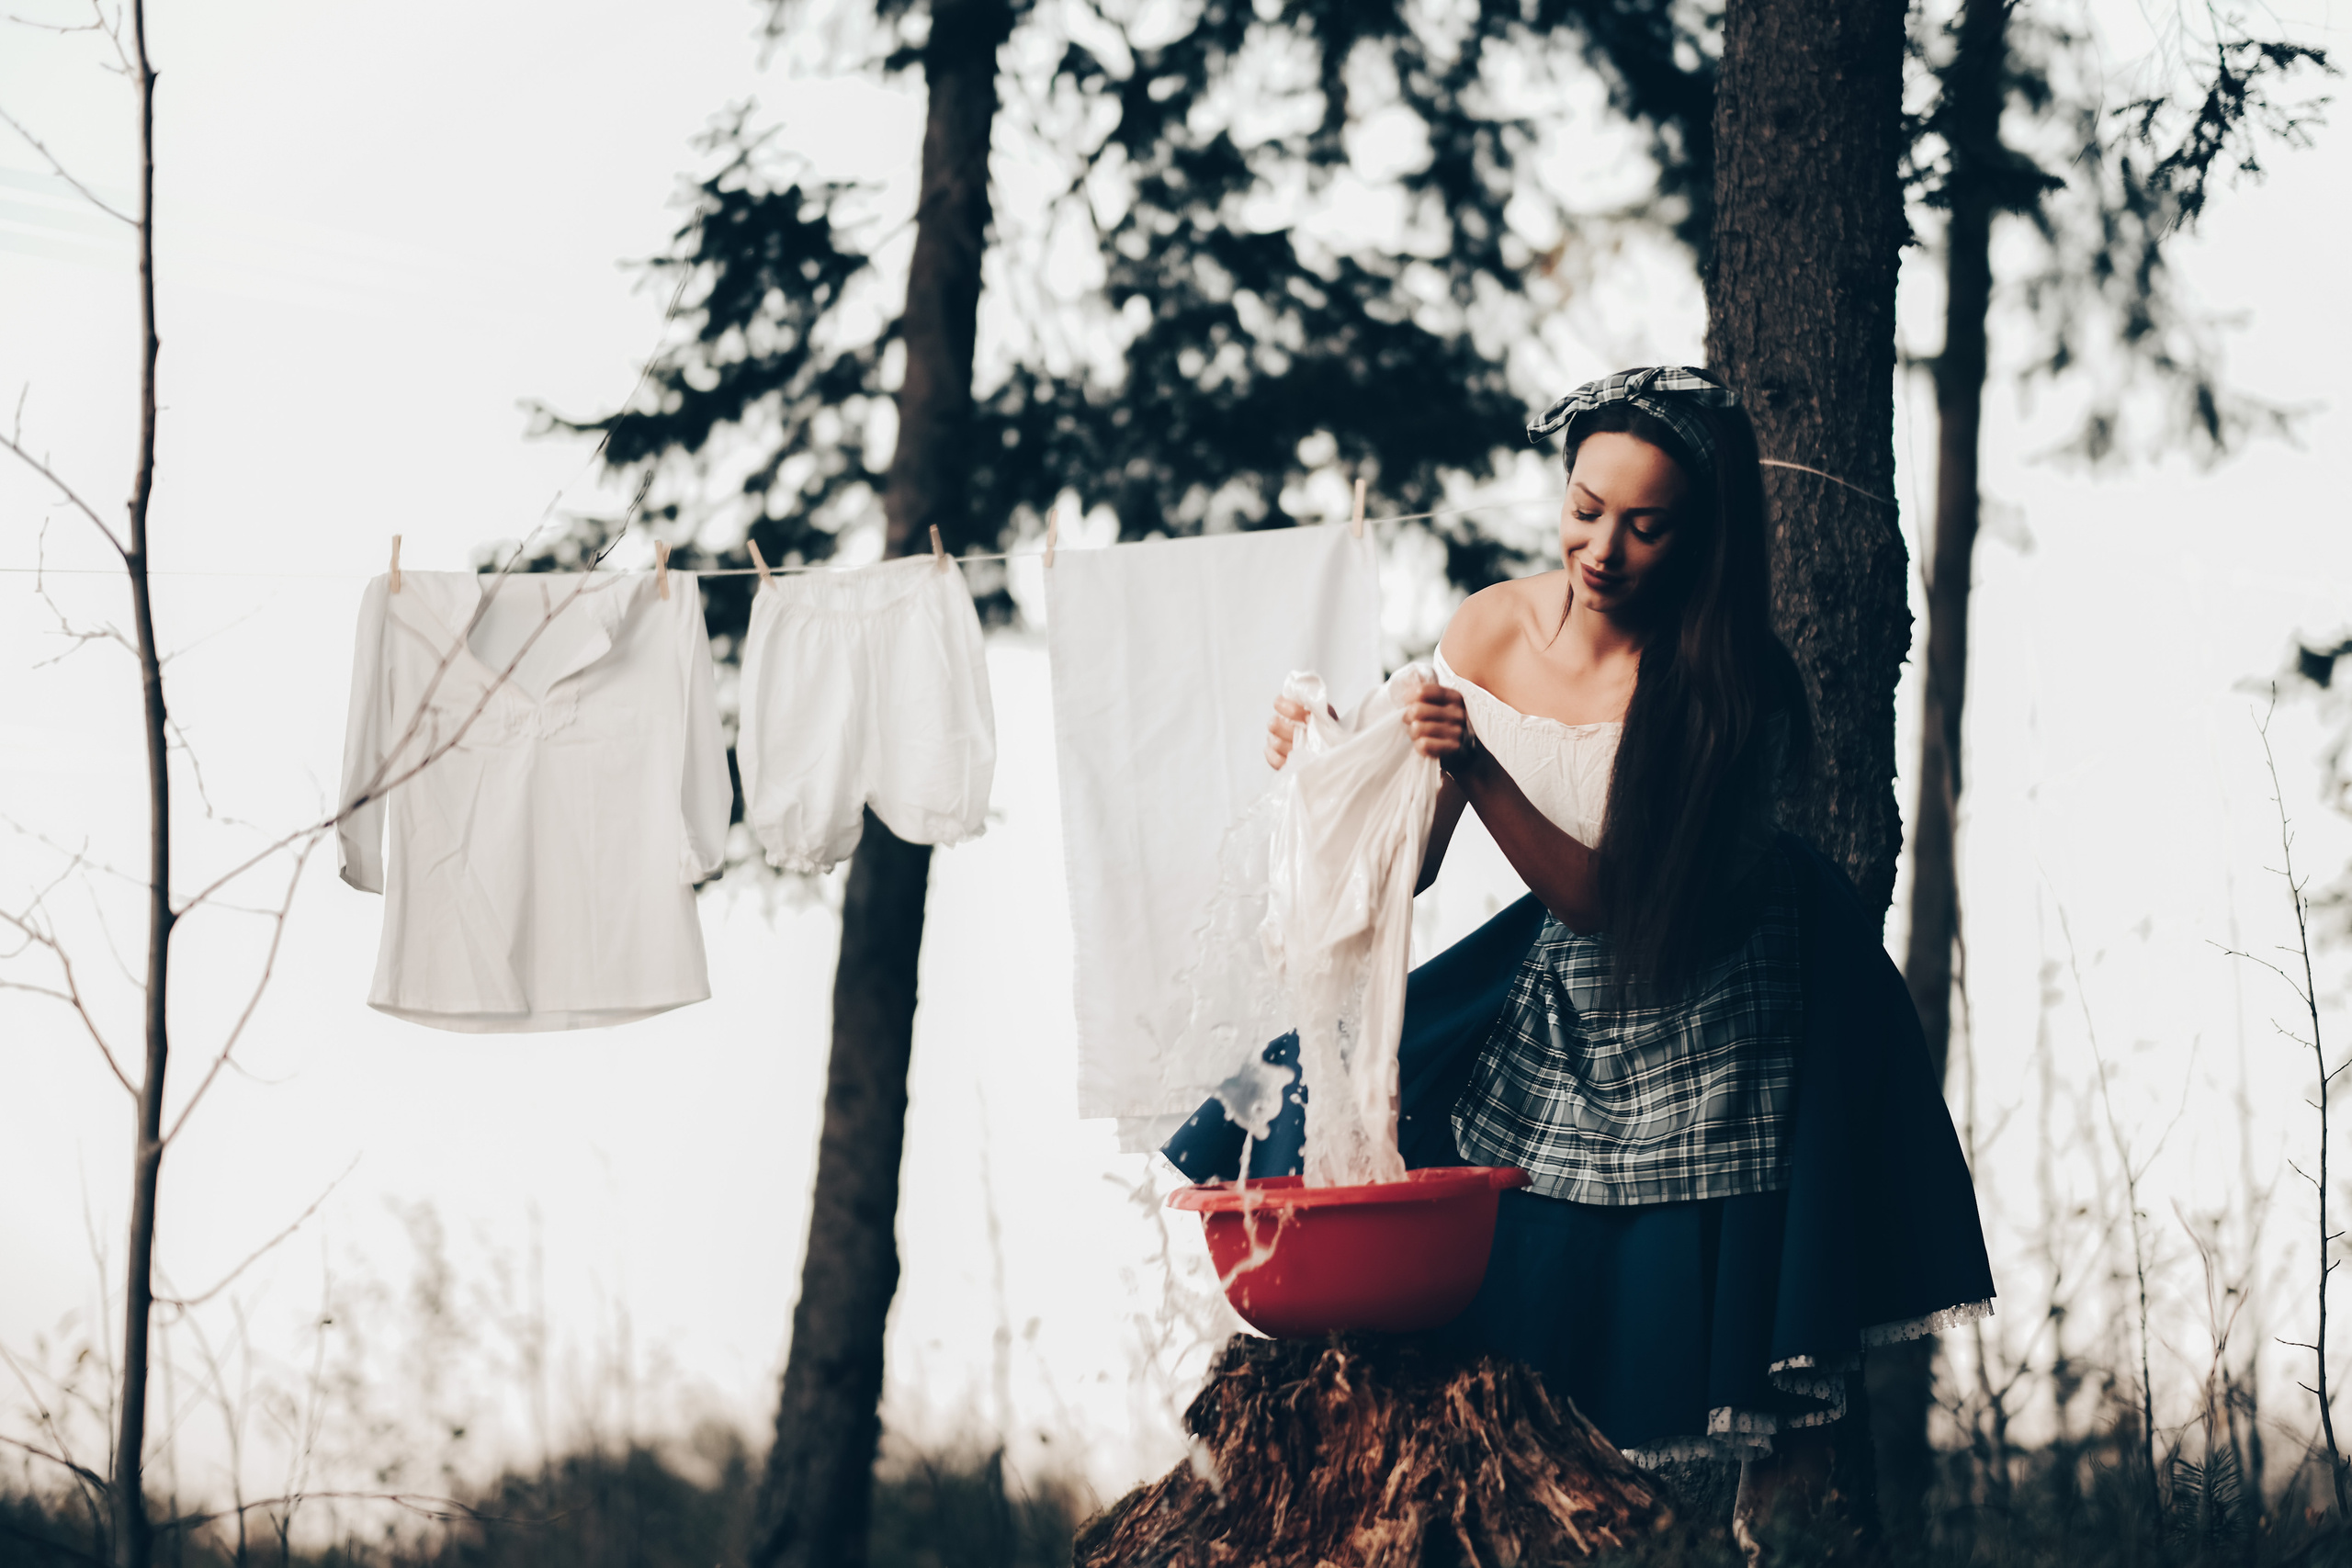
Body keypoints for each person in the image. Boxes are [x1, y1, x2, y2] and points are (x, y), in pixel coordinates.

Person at [1162, 367, 1994, 1549]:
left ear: (1698, 538)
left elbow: (1617, 901)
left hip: (1724, 984)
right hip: (1570, 958)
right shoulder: (1489, 626)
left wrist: (1479, 769)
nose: (1602, 547)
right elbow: (1414, 859)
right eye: (1585, 507)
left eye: (1645, 526)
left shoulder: (1726, 684)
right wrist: (1325, 769)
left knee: (1676, 1315)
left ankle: (1731, 1525)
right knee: (1325, 1087)